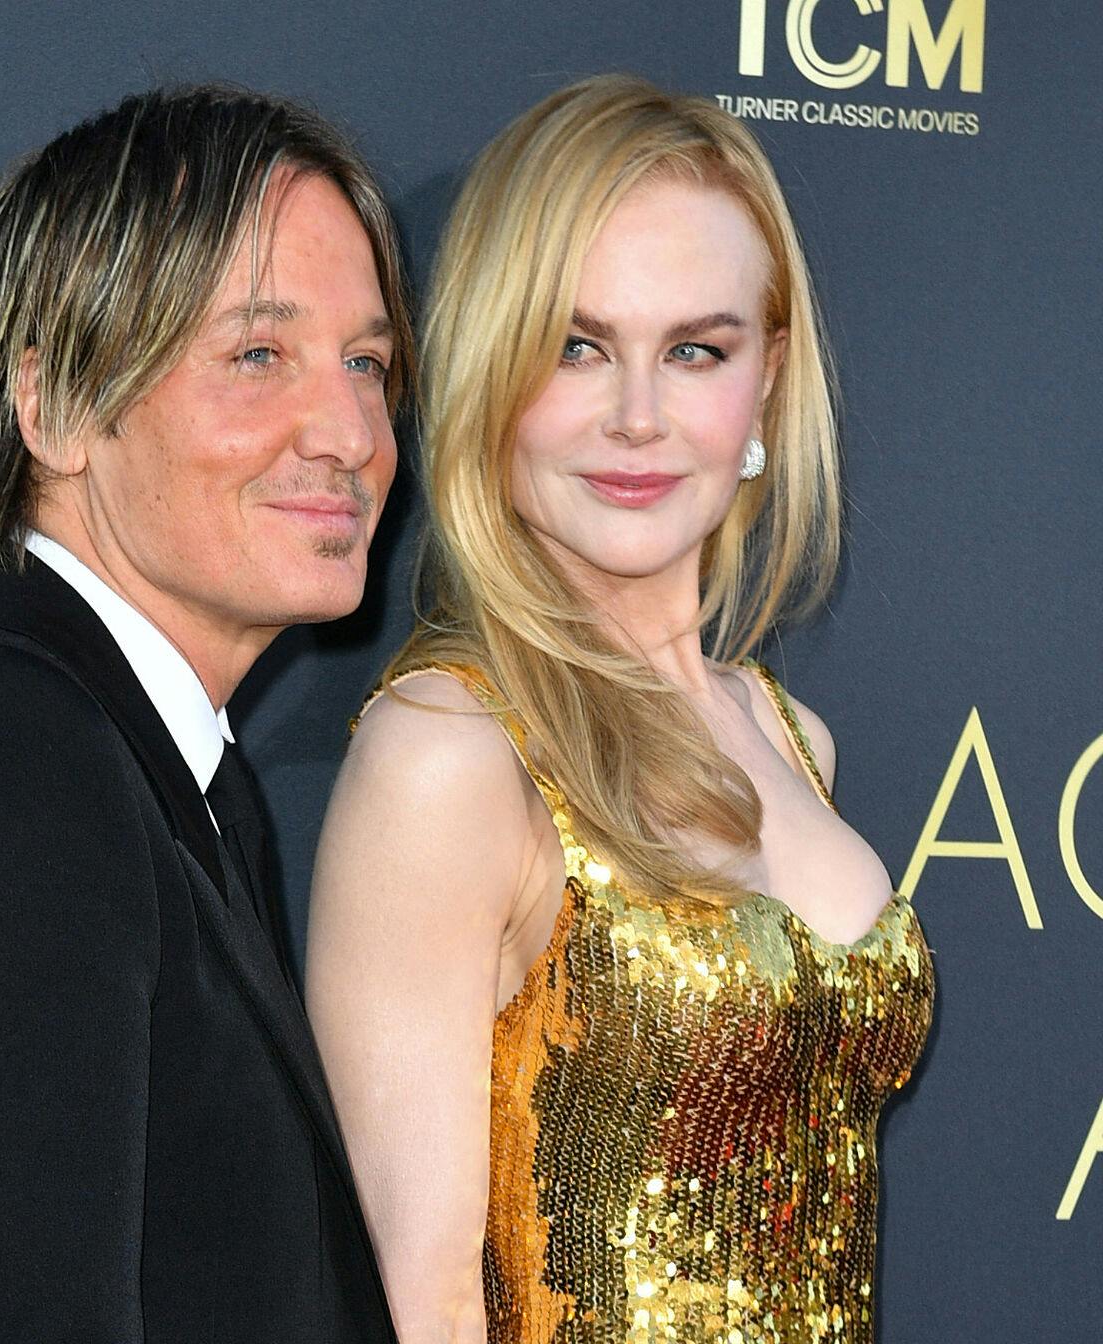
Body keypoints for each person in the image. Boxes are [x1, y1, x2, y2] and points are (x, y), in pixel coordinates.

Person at [0, 84, 412, 1342]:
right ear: (51, 406)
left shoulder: (158, 783)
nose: (348, 432)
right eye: (258, 354)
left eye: (368, 363)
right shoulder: (1, 780)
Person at [307, 75, 934, 1344]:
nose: (639, 417)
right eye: (576, 346)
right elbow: (420, 1306)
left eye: (696, 350)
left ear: (766, 384)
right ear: (492, 368)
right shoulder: (451, 752)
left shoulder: (787, 736)